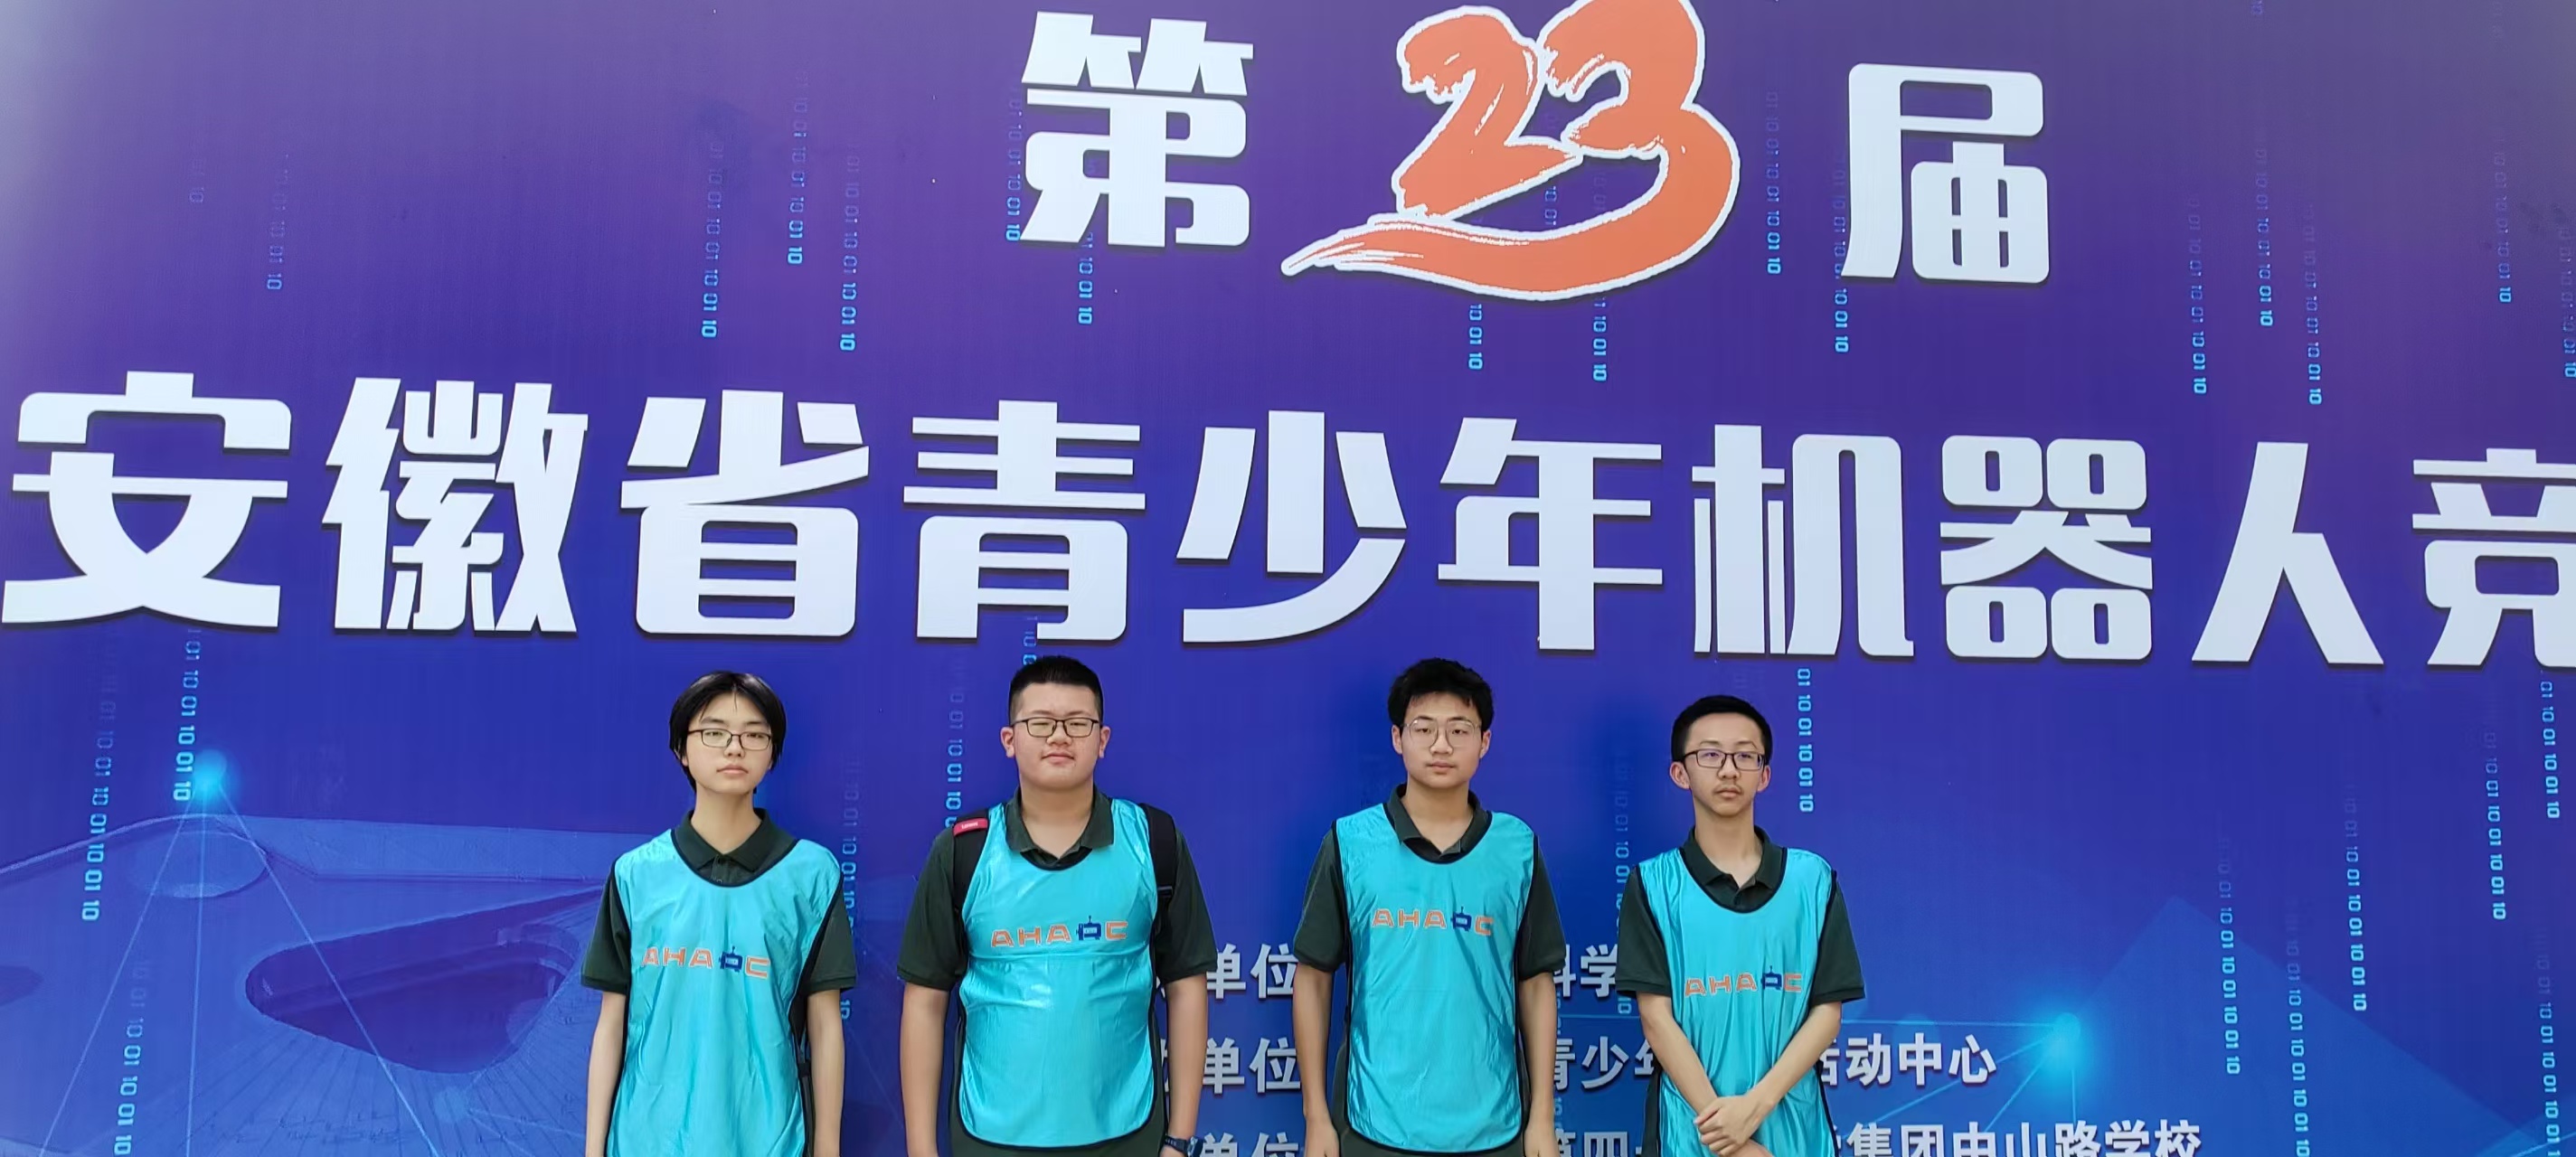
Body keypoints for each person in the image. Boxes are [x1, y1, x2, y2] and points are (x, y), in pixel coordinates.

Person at [897, 655, 1219, 1157]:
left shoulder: (1153, 842)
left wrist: (1178, 1140)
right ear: (1009, 739)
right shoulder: (964, 852)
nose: (1060, 737)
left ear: (1103, 739)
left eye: (1077, 723)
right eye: (1041, 723)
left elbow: (1187, 987)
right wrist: (921, 1150)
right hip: (991, 1137)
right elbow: (924, 1000)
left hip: (1126, 1132)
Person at [1291, 658, 1565, 1157]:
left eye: (1460, 730)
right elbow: (1312, 979)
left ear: (1484, 742)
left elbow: (1536, 983)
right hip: (1374, 1124)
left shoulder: (1516, 848)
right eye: (1424, 729)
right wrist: (1317, 1118)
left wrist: (1542, 1118)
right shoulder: (1351, 842)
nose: (1441, 745)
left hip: (1495, 1127)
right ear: (1398, 738)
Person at [580, 671, 855, 1157]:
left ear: (772, 754)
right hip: (646, 1140)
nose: (735, 748)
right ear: (681, 750)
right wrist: (592, 1149)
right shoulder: (636, 875)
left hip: (768, 1139)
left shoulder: (811, 875)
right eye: (714, 732)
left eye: (754, 735)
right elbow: (611, 1023)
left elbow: (825, 1024)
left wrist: (828, 1148)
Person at [1615, 695, 1863, 1157]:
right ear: (1680, 773)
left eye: (1745, 756)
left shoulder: (1812, 881)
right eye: (1710, 754)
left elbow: (1827, 1012)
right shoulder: (1652, 884)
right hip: (1689, 1135)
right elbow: (1656, 1019)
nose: (1729, 770)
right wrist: (1734, 1141)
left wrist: (1754, 1107)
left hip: (1795, 1132)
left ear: (1764, 775)